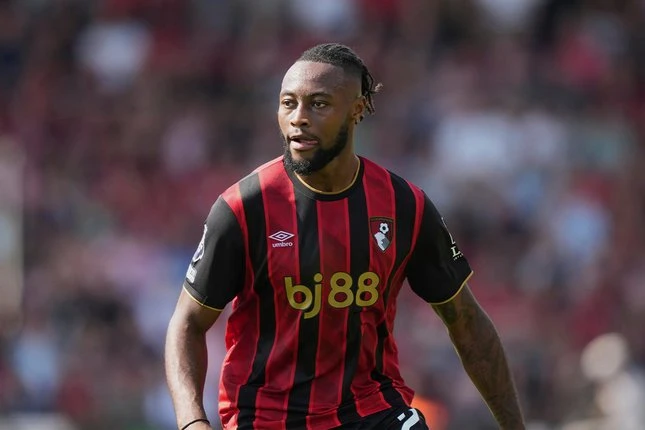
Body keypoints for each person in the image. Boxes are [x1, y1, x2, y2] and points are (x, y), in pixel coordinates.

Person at [165, 43, 526, 430]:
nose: (298, 119)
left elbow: (465, 321)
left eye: (318, 104)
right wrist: (192, 422)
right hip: (268, 419)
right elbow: (187, 324)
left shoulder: (403, 205)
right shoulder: (244, 208)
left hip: (373, 412)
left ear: (357, 110)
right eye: (288, 104)